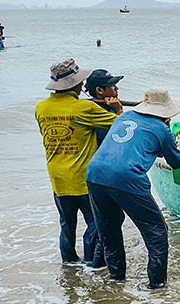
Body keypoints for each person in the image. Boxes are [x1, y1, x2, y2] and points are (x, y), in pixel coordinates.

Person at [86, 88, 180, 287]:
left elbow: (137, 146)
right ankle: (156, 286)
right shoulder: (161, 129)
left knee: (109, 231)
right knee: (157, 232)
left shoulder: (123, 117)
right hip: (127, 178)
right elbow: (176, 161)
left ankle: (116, 281)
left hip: (95, 174)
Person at [35, 59, 119, 265]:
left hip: (57, 176)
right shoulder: (84, 108)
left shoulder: (41, 107)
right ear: (77, 84)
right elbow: (119, 126)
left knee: (67, 224)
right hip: (82, 177)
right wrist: (117, 109)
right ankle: (91, 264)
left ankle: (69, 263)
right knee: (94, 225)